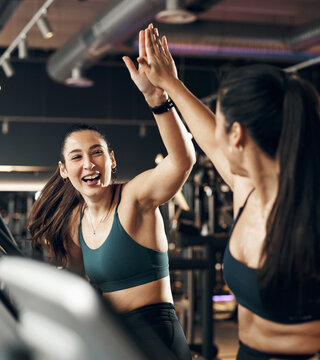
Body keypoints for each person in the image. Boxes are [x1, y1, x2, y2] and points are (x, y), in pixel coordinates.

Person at [137, 23, 320, 360]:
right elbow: (209, 138)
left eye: (222, 124)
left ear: (237, 135)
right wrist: (167, 88)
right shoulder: (249, 192)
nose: (217, 138)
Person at [27, 27, 195, 360]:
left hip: (154, 338)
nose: (88, 163)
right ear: (64, 170)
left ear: (111, 159)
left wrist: (157, 100)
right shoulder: (75, 219)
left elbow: (182, 161)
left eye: (97, 152)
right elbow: (73, 283)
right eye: (76, 157)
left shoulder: (134, 198)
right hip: (108, 335)